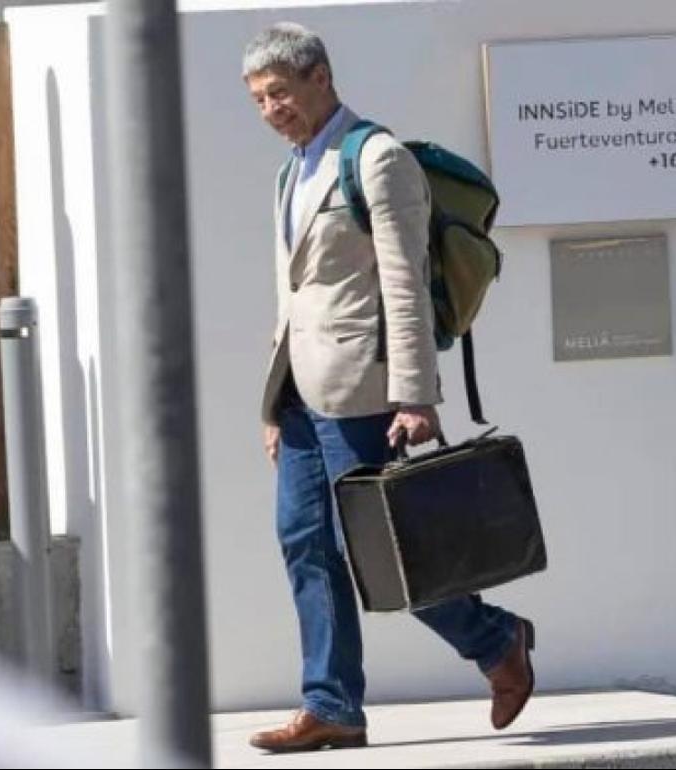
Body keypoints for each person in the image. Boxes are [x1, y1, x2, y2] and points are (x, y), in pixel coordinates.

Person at [242, 23, 535, 752]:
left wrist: (415, 395)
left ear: (320, 77)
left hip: (364, 391)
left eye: (280, 92)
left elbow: (403, 288)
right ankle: (332, 705)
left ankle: (497, 641)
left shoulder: (377, 159)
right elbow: (293, 300)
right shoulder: (291, 170)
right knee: (304, 543)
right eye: (259, 99)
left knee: (389, 548)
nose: (272, 109)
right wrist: (272, 405)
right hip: (302, 398)